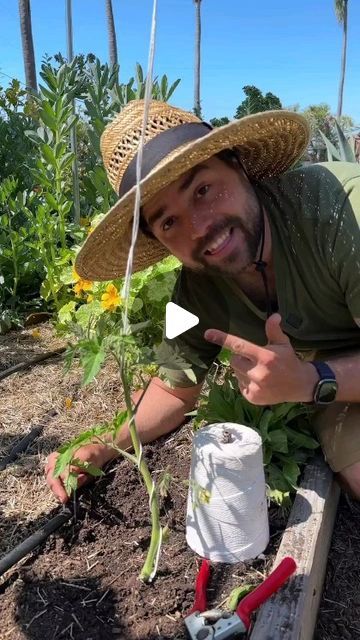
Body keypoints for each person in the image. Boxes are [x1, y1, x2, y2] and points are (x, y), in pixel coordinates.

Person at [45, 99, 360, 503]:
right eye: (169, 221)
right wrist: (104, 444)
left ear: (237, 164)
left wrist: (311, 380)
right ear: (158, 240)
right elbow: (175, 388)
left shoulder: (339, 211)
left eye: (202, 189)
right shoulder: (193, 292)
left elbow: (310, 381)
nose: (200, 228)